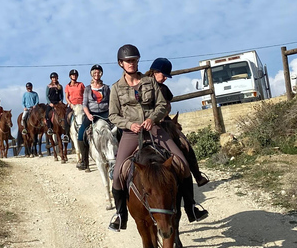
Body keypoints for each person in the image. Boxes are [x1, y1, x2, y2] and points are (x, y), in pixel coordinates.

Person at [107, 44, 206, 232]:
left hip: (154, 129)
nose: (132, 63)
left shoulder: (149, 82)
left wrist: (152, 119)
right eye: (128, 61)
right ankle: (121, 215)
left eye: (134, 60)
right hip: (131, 133)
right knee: (118, 175)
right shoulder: (115, 88)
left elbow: (161, 105)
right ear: (121, 63)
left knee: (183, 164)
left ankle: (192, 208)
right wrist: (130, 125)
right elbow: (113, 115)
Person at [148, 57, 210, 188]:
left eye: (166, 76)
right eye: (163, 75)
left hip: (165, 121)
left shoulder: (163, 88)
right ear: (155, 71)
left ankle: (197, 176)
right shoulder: (143, 86)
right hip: (147, 124)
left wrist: (165, 111)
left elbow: (168, 105)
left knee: (184, 143)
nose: (165, 78)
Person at [78, 64, 111, 171]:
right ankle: (84, 161)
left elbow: (111, 102)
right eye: (94, 72)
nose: (96, 74)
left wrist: (111, 113)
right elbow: (84, 104)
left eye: (98, 72)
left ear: (101, 74)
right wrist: (88, 114)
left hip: (105, 113)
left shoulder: (106, 88)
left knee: (118, 130)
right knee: (81, 134)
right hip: (92, 114)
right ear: (92, 74)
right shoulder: (87, 89)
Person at [44, 72, 64, 136]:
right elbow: (47, 96)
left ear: (57, 78)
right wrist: (50, 103)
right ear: (51, 79)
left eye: (55, 78)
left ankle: (66, 129)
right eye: (53, 78)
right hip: (51, 103)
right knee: (47, 114)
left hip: (58, 103)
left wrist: (61, 101)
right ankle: (50, 128)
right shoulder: (48, 86)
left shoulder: (60, 86)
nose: (54, 79)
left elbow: (62, 95)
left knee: (64, 112)